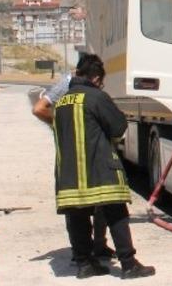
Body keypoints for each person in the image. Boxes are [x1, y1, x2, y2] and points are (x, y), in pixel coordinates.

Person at [52, 53, 155, 280]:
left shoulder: (61, 102)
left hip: (69, 173)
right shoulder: (96, 97)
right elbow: (118, 127)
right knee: (116, 212)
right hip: (99, 169)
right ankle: (128, 264)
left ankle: (84, 264)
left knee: (76, 215)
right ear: (96, 78)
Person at [32, 59, 113, 260]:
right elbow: (39, 108)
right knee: (77, 201)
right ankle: (83, 251)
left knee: (98, 198)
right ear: (95, 77)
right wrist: (61, 125)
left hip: (84, 147)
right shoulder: (67, 83)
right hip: (76, 150)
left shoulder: (77, 83)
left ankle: (96, 245)